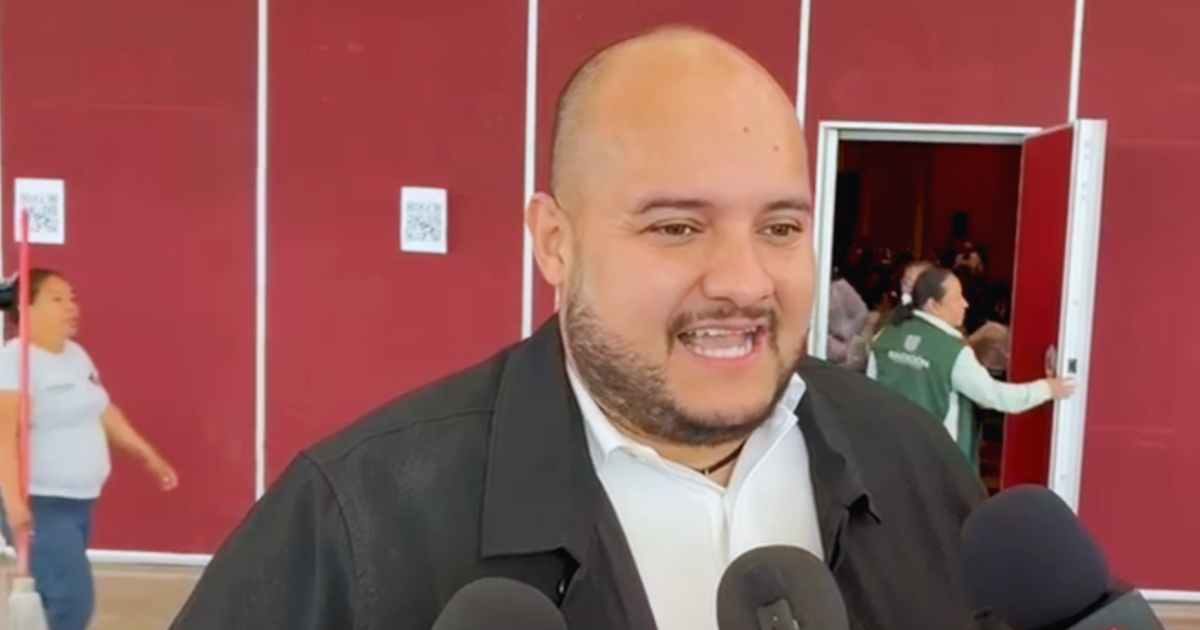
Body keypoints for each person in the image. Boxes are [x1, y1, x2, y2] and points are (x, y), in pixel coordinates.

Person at [170, 27, 1002, 630]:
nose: (744, 281)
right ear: (555, 242)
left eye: (780, 227)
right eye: (677, 226)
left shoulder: (913, 461)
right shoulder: (356, 521)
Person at [0, 268, 180, 630]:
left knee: (57, 598)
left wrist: (149, 456)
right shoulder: (15, 361)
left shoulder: (75, 355)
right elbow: (5, 437)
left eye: (72, 298)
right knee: (71, 602)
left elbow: (104, 411)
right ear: (26, 307)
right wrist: (14, 503)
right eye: (57, 299)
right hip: (41, 504)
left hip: (80, 503)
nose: (71, 307)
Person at [867, 267, 1075, 468]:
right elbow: (993, 395)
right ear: (933, 305)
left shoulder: (884, 338)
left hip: (891, 456)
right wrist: (1047, 389)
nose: (965, 304)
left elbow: (870, 396)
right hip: (936, 462)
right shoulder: (952, 351)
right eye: (957, 298)